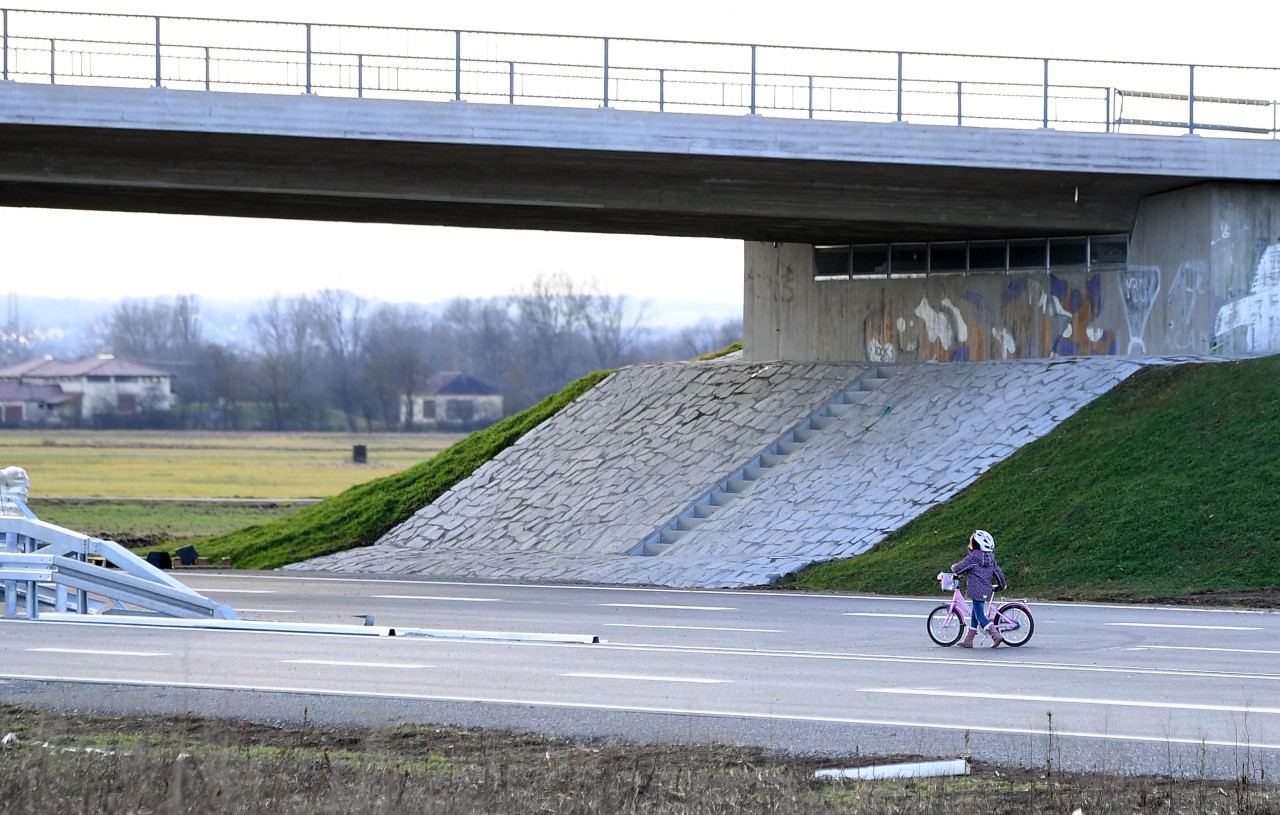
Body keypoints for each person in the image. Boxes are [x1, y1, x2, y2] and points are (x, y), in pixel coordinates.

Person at [951, 529, 1007, 648]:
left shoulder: (972, 557)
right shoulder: (990, 558)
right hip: (986, 589)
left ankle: (995, 636)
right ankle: (969, 640)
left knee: (980, 615)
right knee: (974, 614)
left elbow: (960, 568)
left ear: (975, 544)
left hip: (976, 590)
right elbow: (998, 572)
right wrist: (1002, 585)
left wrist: (954, 567)